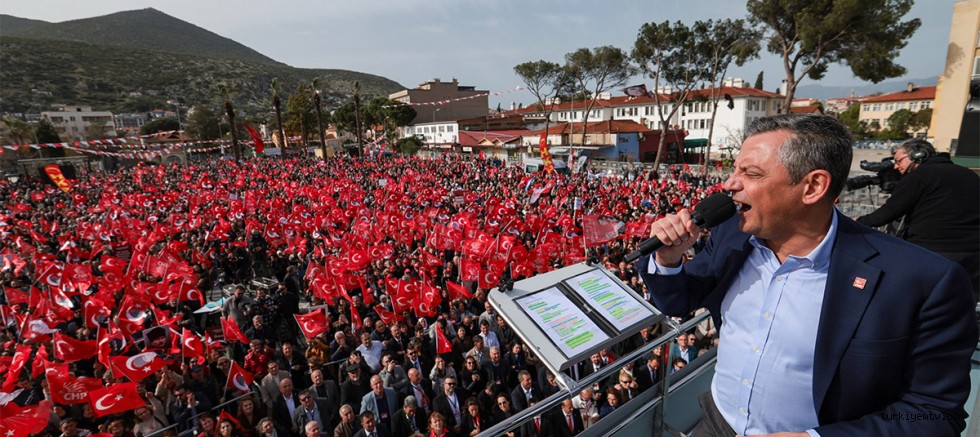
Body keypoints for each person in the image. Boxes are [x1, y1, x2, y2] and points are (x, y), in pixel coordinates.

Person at [638, 114, 977, 436]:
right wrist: (668, 259)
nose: (729, 184)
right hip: (716, 423)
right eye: (734, 169)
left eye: (750, 173)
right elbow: (679, 300)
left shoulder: (923, 281)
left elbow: (934, 414)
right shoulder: (731, 235)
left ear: (813, 186)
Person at [857, 139, 980, 301]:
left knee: (920, 303)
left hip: (933, 253)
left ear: (918, 155)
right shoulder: (969, 174)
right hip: (973, 255)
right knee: (962, 304)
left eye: (899, 160)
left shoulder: (919, 175)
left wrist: (858, 222)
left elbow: (888, 212)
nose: (896, 166)